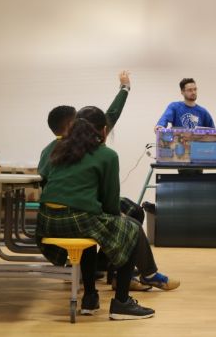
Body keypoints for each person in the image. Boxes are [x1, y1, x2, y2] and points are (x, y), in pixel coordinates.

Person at [36, 106, 158, 320]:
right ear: (103, 131)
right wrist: (115, 218)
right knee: (131, 230)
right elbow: (110, 203)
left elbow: (44, 178)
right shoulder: (107, 155)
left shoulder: (59, 148)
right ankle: (122, 303)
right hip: (77, 218)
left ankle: (90, 297)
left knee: (90, 230)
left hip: (46, 221)